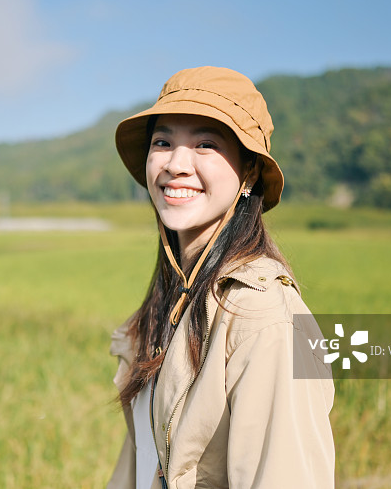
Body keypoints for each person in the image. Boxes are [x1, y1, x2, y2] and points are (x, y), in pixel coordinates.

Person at [108, 67, 335, 489]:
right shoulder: (170, 302)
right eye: (163, 142)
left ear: (249, 173)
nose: (176, 164)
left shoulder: (264, 313)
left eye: (205, 145)